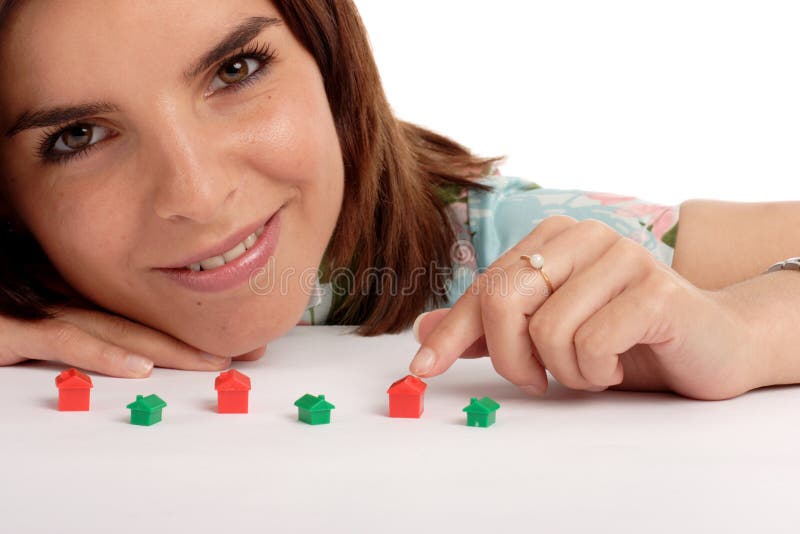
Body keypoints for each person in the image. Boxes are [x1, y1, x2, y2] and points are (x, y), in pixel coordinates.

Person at [1, 1, 799, 401]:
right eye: (76, 135)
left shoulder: (503, 246)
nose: (199, 195)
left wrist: (745, 332)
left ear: (332, 64)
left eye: (236, 72)